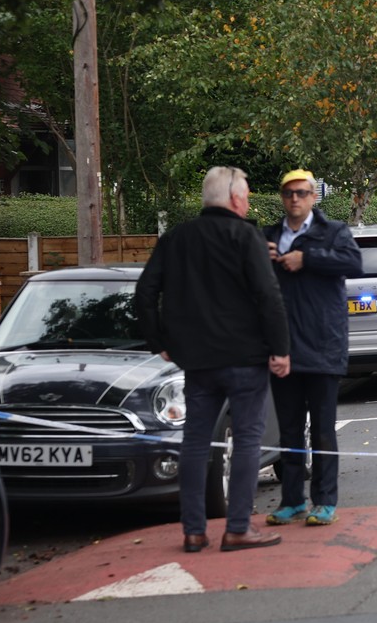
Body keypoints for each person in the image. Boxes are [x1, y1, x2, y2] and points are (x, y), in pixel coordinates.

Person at [135, 165, 291, 553]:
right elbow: (268, 296)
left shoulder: (176, 238)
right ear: (236, 198)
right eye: (248, 194)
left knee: (195, 442)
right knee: (248, 439)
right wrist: (281, 349)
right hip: (246, 358)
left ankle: (193, 530)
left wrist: (159, 341)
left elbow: (144, 292)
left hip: (197, 361)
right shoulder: (246, 237)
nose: (250, 199)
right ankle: (238, 527)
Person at [262, 170, 362, 527]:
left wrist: (307, 259)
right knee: (289, 429)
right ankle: (292, 500)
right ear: (282, 197)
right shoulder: (269, 236)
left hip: (323, 344)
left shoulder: (333, 232)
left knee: (322, 429)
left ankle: (324, 500)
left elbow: (353, 264)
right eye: (289, 193)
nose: (295, 200)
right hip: (284, 346)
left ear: (313, 197)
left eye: (302, 193)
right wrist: (263, 258)